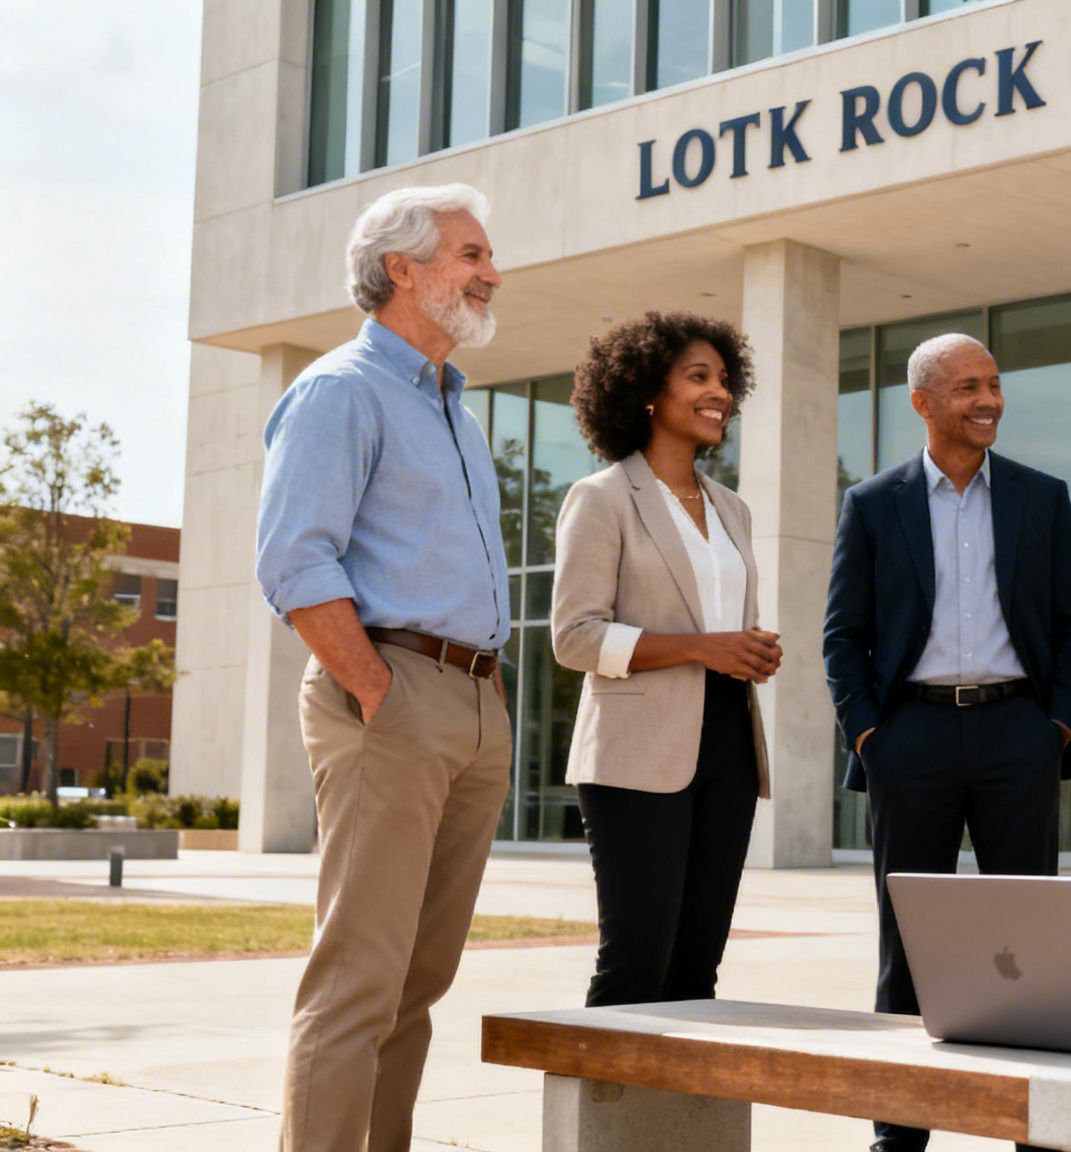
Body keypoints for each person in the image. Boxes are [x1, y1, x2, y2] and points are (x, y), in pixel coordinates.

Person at [257, 183, 512, 1152]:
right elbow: (295, 562)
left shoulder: (457, 414)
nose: (492, 274)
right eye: (470, 255)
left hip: (475, 709)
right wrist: (378, 692)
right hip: (392, 700)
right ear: (401, 268)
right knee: (358, 984)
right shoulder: (339, 391)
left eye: (488, 258)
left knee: (416, 986)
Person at [822, 332, 1071, 1152]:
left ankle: (1036, 1133)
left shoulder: (1041, 498)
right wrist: (871, 734)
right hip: (912, 737)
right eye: (969, 386)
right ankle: (898, 1136)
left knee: (1031, 948)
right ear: (923, 402)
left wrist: (1055, 726)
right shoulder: (874, 503)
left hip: (1019, 733)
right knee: (909, 944)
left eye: (995, 384)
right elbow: (844, 635)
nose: (989, 400)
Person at [551, 311, 780, 1010]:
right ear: (648, 390)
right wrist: (700, 647)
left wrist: (749, 650)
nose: (721, 394)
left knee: (696, 968)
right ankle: (597, 1118)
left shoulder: (732, 508)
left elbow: (719, 624)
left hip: (729, 745)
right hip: (634, 754)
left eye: (725, 380)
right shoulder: (602, 498)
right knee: (636, 959)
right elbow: (575, 637)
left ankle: (677, 1125)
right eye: (698, 377)